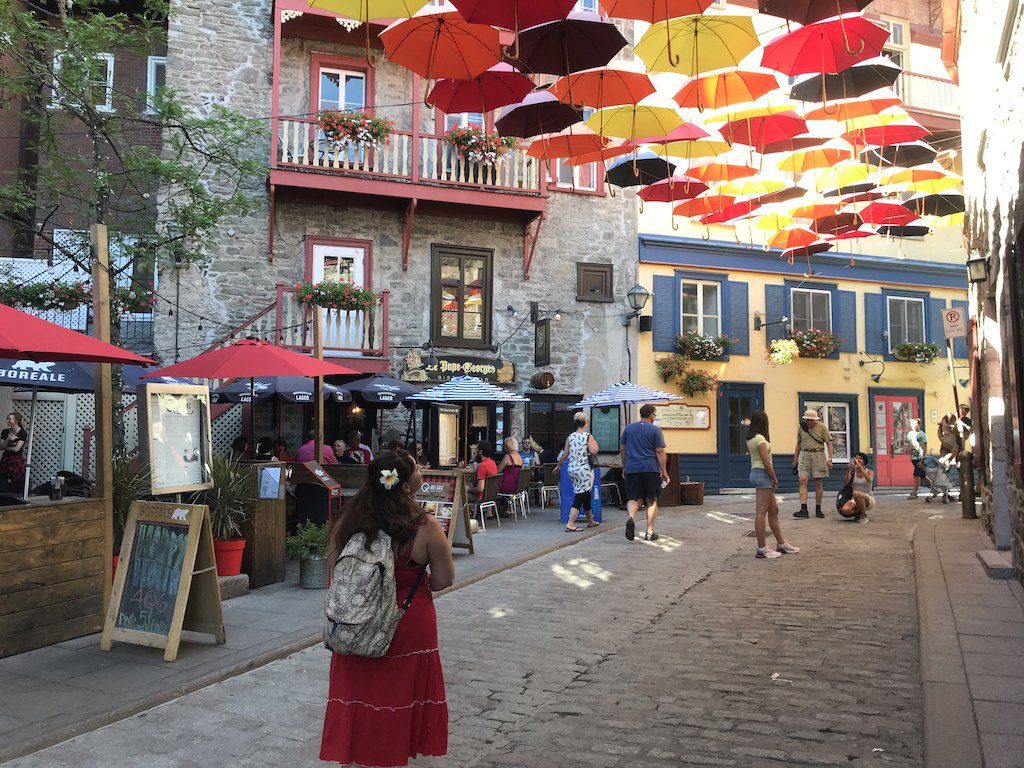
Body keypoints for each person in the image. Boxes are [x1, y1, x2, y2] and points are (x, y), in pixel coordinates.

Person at [320, 450, 453, 767]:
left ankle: (357, 754)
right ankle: (392, 753)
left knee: (360, 692)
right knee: (399, 693)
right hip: (407, 620)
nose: (422, 471)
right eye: (417, 469)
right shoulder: (425, 527)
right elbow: (444, 579)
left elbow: (334, 574)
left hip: (356, 619)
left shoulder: (348, 523)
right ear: (405, 487)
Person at [746, 410, 799, 559]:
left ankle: (781, 544)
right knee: (761, 512)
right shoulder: (760, 439)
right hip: (763, 474)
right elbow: (766, 462)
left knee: (773, 509)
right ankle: (762, 548)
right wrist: (774, 479)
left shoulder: (750, 438)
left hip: (757, 472)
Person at [619, 404, 670, 542]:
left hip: (632, 469)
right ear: (651, 415)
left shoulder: (629, 429)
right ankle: (649, 531)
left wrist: (625, 466)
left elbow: (622, 449)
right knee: (651, 500)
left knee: (633, 498)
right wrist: (664, 472)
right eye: (655, 414)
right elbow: (659, 451)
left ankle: (631, 518)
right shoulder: (655, 430)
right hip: (650, 469)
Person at [557, 413, 599, 532]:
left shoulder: (570, 437)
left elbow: (565, 454)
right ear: (586, 423)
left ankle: (590, 521)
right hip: (584, 470)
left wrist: (558, 466)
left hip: (572, 469)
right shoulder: (588, 436)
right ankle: (570, 523)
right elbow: (594, 451)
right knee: (580, 496)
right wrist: (595, 444)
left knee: (585, 494)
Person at [792, 409, 833, 519]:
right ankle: (803, 508)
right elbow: (799, 443)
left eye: (811, 420)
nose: (809, 422)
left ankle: (818, 508)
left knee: (818, 482)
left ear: (815, 420)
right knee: (802, 480)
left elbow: (829, 443)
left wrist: (830, 459)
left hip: (818, 455)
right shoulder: (802, 427)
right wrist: (795, 458)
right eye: (807, 420)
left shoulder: (822, 427)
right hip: (804, 455)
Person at [839, 452, 875, 524]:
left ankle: (863, 516)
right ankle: (860, 512)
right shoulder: (853, 472)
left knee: (856, 493)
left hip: (868, 497)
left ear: (864, 461)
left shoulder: (870, 471)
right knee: (845, 510)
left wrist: (860, 467)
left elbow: (869, 480)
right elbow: (845, 483)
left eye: (860, 458)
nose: (857, 460)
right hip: (855, 498)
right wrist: (849, 469)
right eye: (856, 458)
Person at [0, 412, 28, 493]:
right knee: (2, 483)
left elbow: (16, 449)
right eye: (7, 419)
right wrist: (8, 439)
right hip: (5, 460)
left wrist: (5, 447)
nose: (7, 421)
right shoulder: (5, 432)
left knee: (16, 484)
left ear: (16, 420)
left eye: (9, 419)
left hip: (16, 461)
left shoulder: (22, 433)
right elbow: (1, 447)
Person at [466, 440, 498, 507]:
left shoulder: (482, 466)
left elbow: (480, 489)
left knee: (459, 494)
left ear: (480, 452)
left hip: (480, 497)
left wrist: (468, 489)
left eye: (477, 451)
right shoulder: (492, 463)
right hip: (490, 496)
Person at [907, 418, 930, 499]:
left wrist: (923, 459)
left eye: (915, 424)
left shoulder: (922, 435)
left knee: (916, 475)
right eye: (912, 424)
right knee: (922, 475)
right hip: (913, 458)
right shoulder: (909, 434)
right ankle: (934, 488)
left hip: (920, 457)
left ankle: (914, 493)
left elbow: (925, 447)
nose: (914, 426)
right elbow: (909, 445)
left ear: (919, 424)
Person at [496, 436, 524, 503]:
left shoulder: (507, 457)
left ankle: (490, 510)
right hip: (517, 485)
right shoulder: (519, 457)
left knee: (490, 487)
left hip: (507, 485)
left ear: (507, 446)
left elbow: (498, 471)